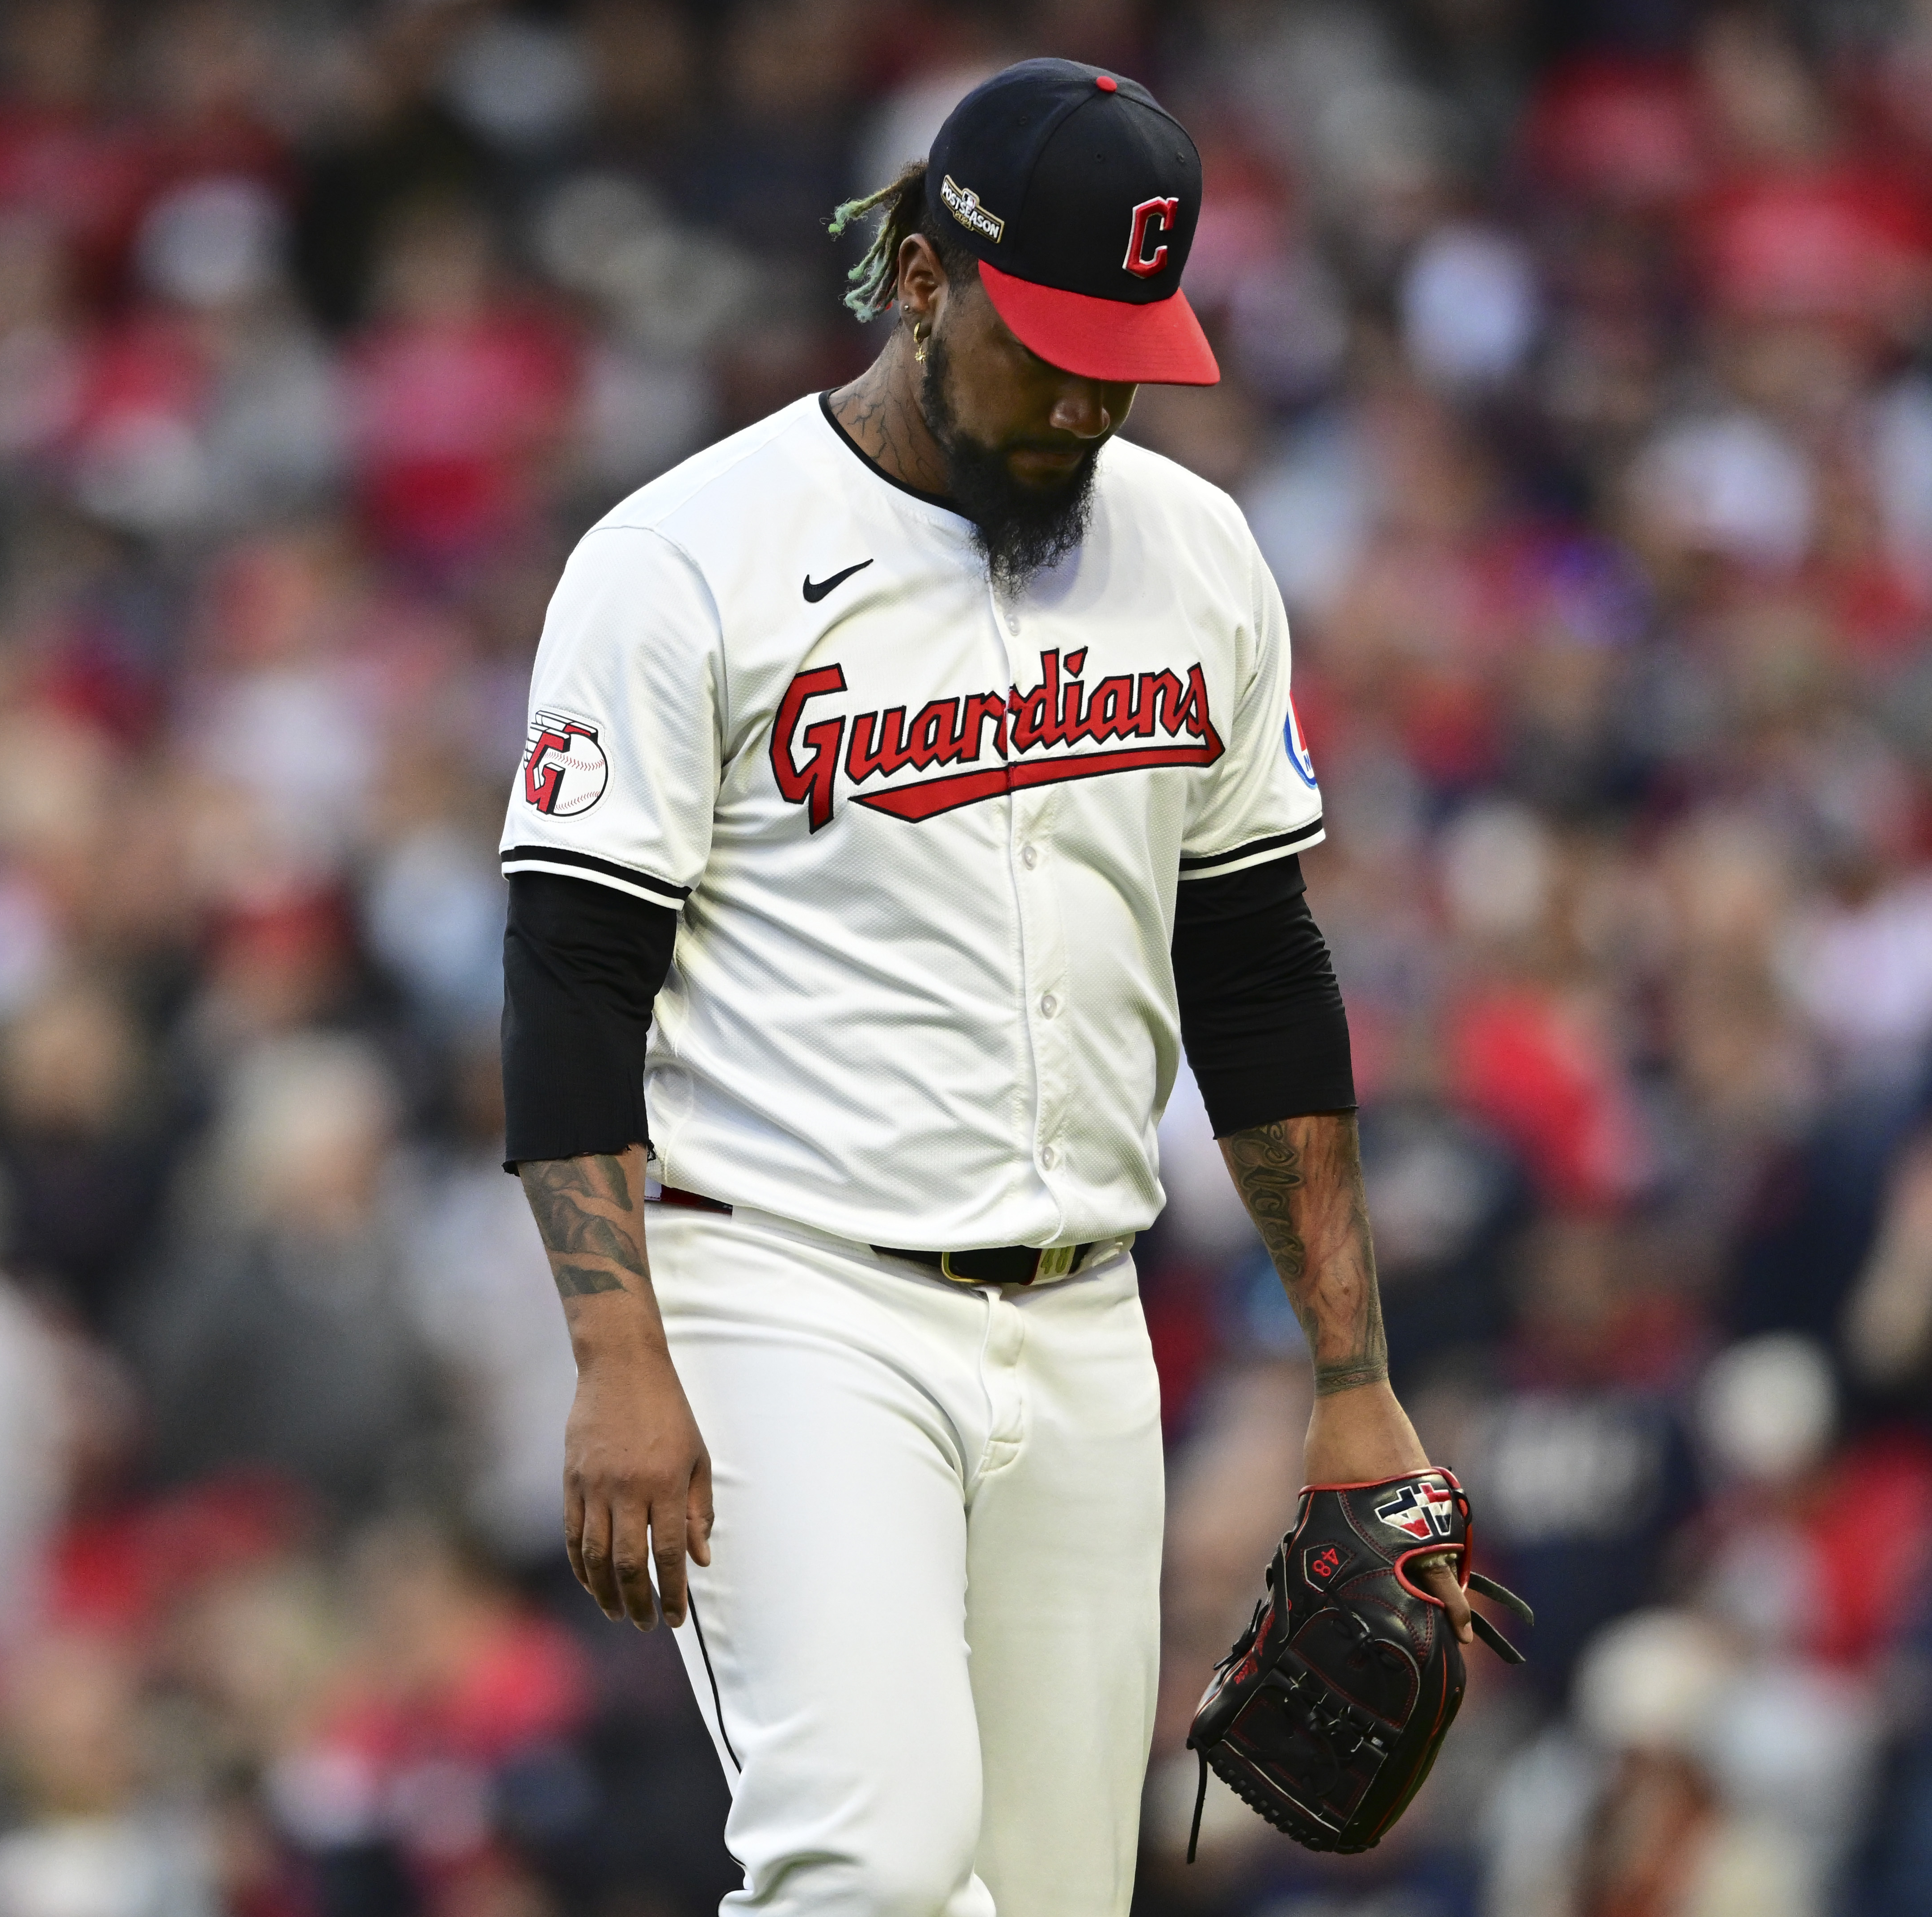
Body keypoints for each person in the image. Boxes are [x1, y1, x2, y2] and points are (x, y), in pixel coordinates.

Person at [496, 58, 1475, 1915]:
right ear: (923, 278)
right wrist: (618, 1357)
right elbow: (570, 978)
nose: (1087, 398)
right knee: (867, 1865)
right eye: (1051, 349)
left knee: (1051, 1897)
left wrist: (1352, 1379)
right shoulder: (684, 558)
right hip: (788, 1292)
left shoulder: (1194, 553)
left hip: (1086, 1317)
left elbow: (1259, 973)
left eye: (1125, 356)